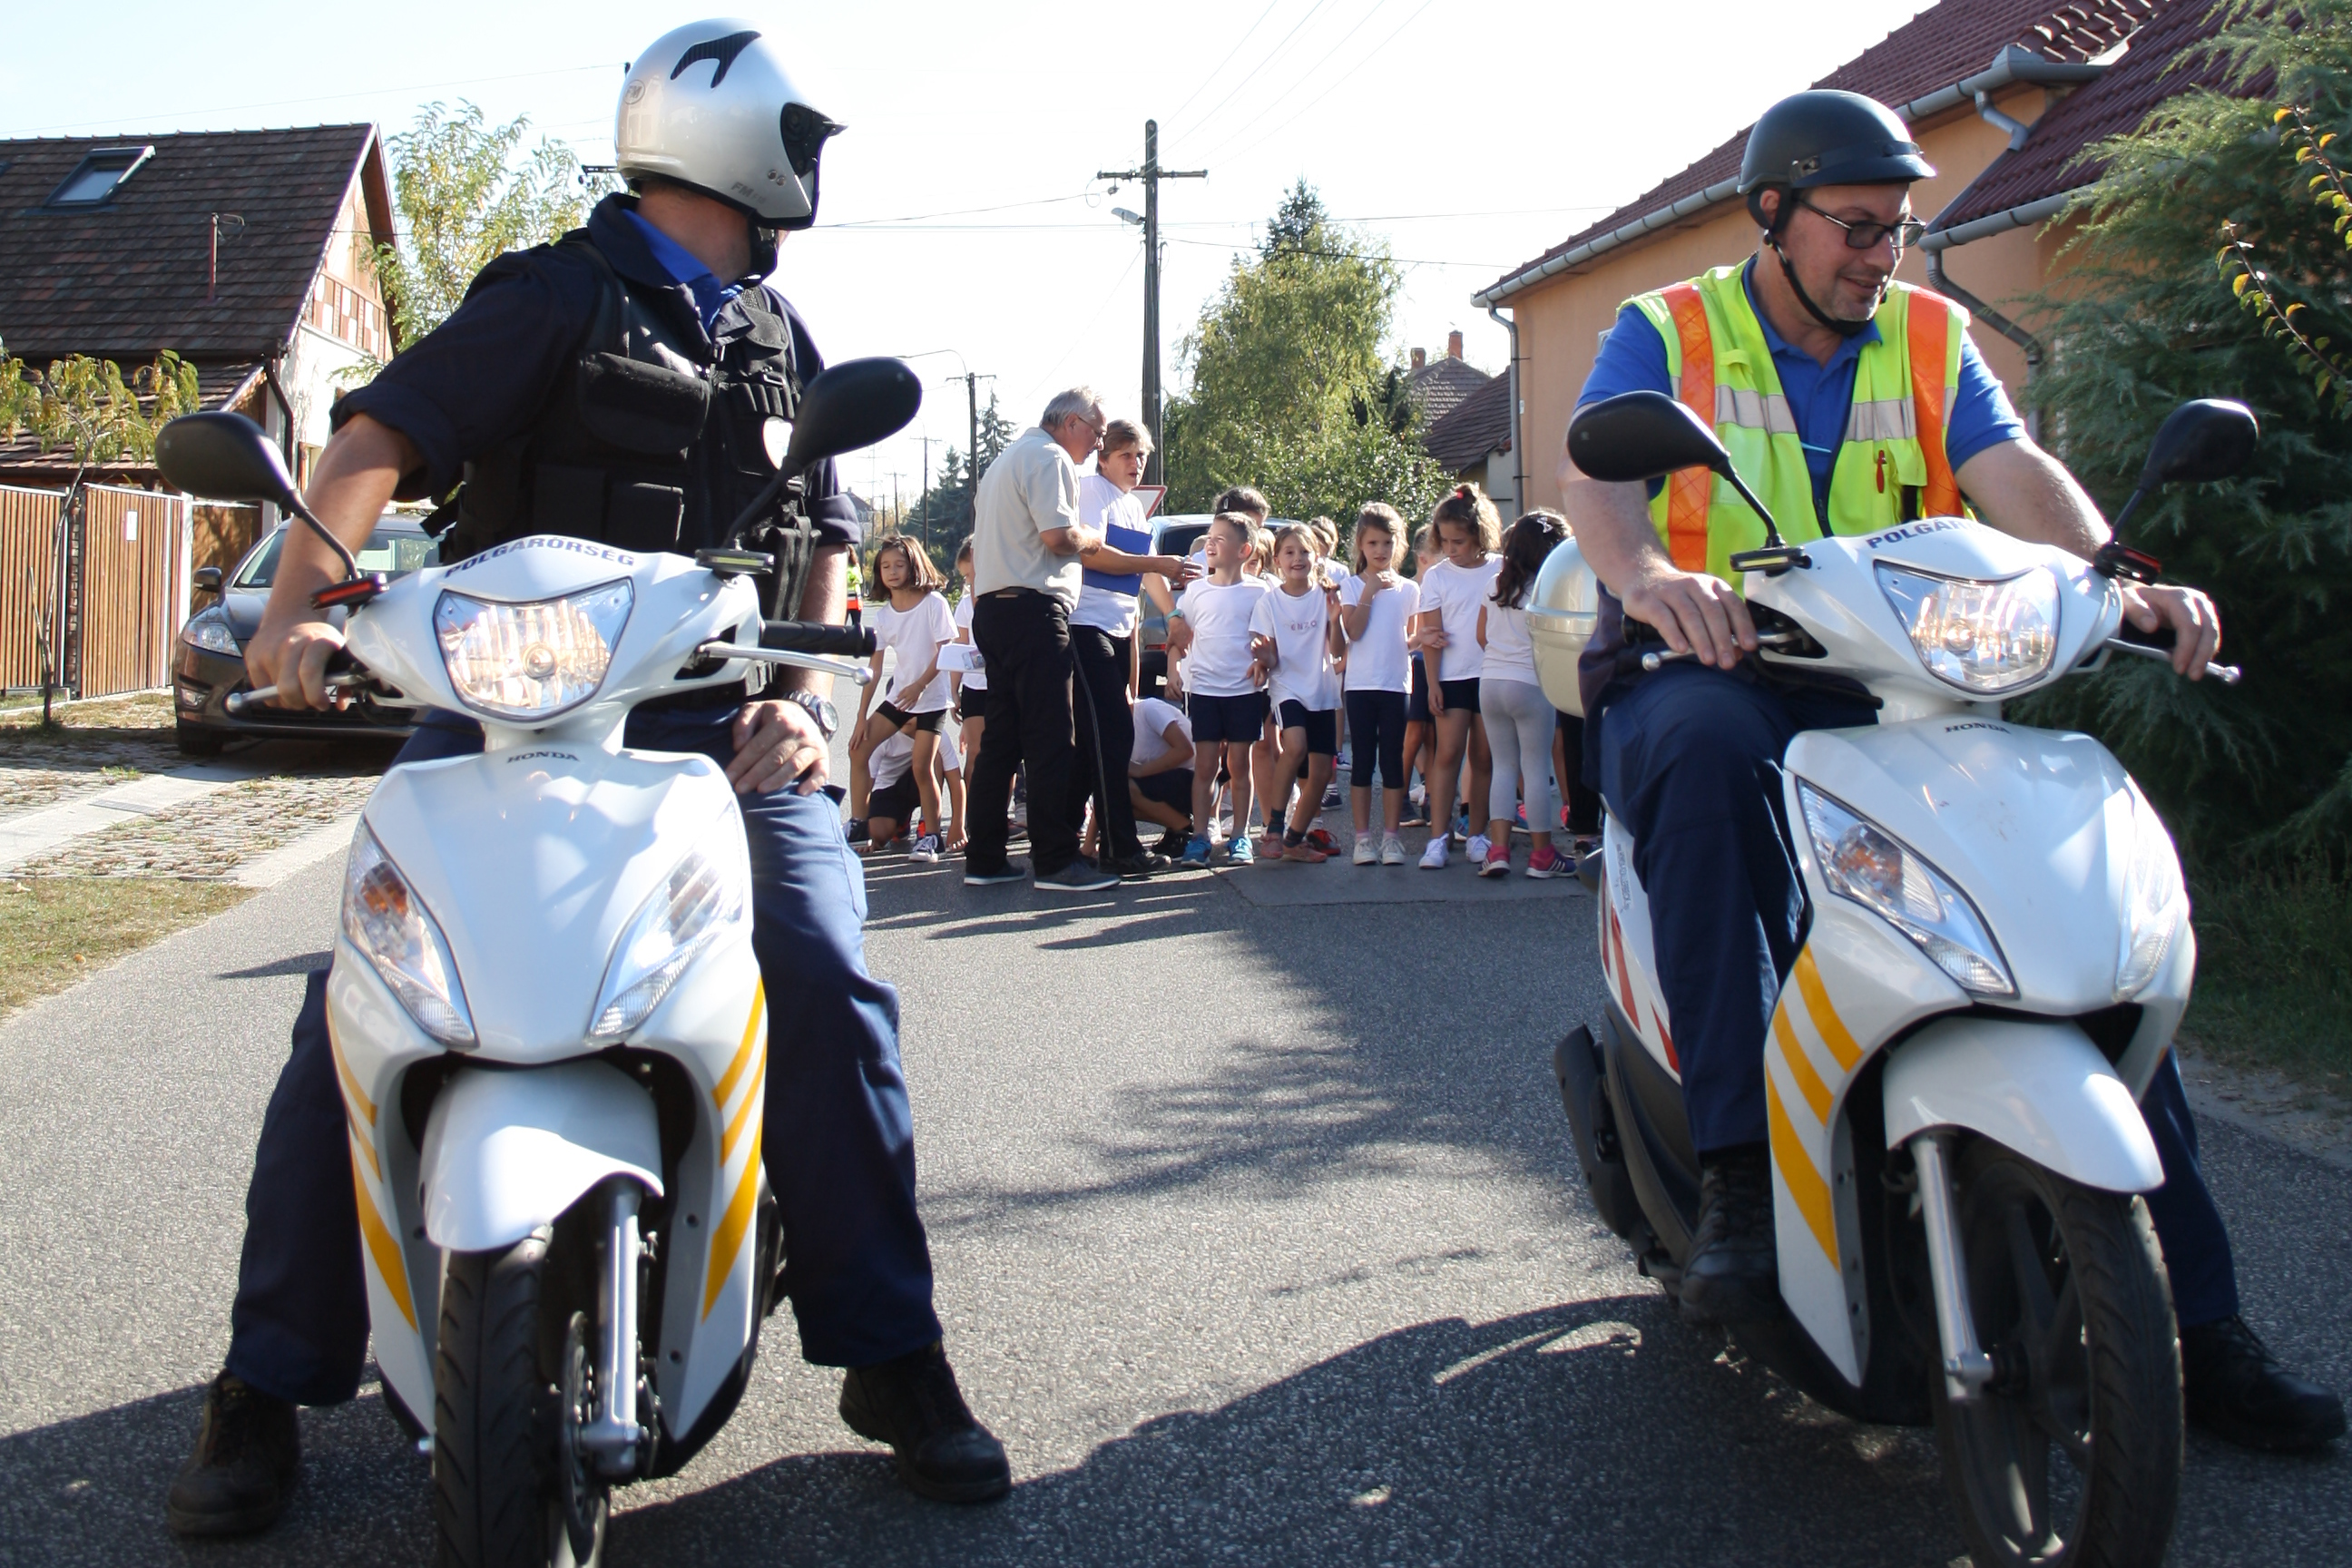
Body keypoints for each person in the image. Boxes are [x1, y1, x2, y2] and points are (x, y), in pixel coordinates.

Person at [164, 26, 1013, 1538]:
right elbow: (375, 437)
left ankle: (893, 1350)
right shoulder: (554, 293)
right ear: (737, 139)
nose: (806, 167)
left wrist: (805, 701)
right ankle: (265, 1379)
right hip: (505, 719)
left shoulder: (779, 334)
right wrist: (296, 609)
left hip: (714, 727)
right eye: (796, 138)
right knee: (357, 1001)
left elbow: (822, 540)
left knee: (817, 964)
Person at [1561, 86, 2343, 1449]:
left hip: (1900, 678)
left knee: (2050, 912)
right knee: (1701, 757)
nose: (1884, 253)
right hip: (1716, 666)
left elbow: (2010, 467)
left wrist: (2119, 579)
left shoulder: (1929, 335)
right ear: (1774, 215)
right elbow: (1601, 481)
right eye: (1857, 227)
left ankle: (2200, 1326)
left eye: (1899, 229)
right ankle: (1739, 1176)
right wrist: (1645, 579)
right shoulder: (1670, 327)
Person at [963, 387, 1115, 892]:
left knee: (1001, 741)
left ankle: (985, 858)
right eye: (1096, 433)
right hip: (1033, 609)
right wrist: (1091, 537)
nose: (1098, 444)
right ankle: (1055, 861)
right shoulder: (1051, 458)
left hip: (994, 609)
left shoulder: (1004, 461)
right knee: (1051, 737)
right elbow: (1058, 537)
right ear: (1071, 423)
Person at [1070, 418, 1191, 877]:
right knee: (1110, 736)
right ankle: (1119, 847)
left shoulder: (1135, 509)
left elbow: (1149, 574)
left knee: (1098, 741)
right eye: (1126, 455)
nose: (1135, 463)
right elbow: (1092, 552)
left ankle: (1063, 840)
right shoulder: (1091, 491)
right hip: (1086, 625)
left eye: (1141, 456)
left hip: (1120, 631)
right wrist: (1157, 561)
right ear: (1103, 458)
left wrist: (1174, 617)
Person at [1172, 514, 1271, 867]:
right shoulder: (1196, 591)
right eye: (1209, 537)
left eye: (1220, 539)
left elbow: (1271, 643)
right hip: (1203, 690)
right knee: (1205, 766)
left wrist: (1265, 660)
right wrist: (1173, 670)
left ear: (1245, 550)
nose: (1210, 543)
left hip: (1244, 691)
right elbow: (1178, 634)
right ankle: (1199, 836)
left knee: (1239, 765)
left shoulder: (1260, 592)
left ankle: (1240, 835)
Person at [1476, 511, 1572, 879]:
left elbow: (1481, 636)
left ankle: (1498, 850)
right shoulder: (1547, 588)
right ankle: (1542, 854)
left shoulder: (1494, 584)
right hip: (1530, 683)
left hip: (1491, 682)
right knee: (1535, 768)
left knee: (1503, 765)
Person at [851, 534, 956, 864]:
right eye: (885, 566)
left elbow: (945, 651)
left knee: (922, 768)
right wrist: (861, 717)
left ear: (914, 566)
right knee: (858, 749)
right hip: (900, 698)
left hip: (931, 698)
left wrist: (920, 685)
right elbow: (875, 667)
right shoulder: (883, 616)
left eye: (899, 565)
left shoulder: (934, 603)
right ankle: (858, 824)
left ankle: (932, 838)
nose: (892, 572)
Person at [1414, 485, 1501, 869]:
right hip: (1451, 678)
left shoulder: (1501, 568)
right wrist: (1433, 683)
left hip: (1493, 674)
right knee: (1447, 754)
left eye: (1459, 542)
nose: (1450, 549)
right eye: (1445, 541)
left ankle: (1477, 834)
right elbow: (1431, 637)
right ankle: (1438, 837)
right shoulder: (1436, 577)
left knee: (1483, 756)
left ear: (1480, 535)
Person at [1247, 524, 1344, 863]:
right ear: (1277, 560)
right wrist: (1263, 656)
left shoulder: (1326, 596)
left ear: (1317, 556)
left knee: (1321, 772)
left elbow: (1338, 650)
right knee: (1296, 746)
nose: (1297, 558)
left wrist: (1336, 618)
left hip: (1322, 689)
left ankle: (1294, 839)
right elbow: (1271, 657)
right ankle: (1274, 826)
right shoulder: (1269, 602)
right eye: (1289, 552)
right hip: (1287, 688)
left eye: (1304, 551)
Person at [1338, 504, 1418, 866]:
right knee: (1362, 761)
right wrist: (1369, 591)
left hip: (1396, 685)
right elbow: (1353, 632)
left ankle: (1391, 837)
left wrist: (1423, 639)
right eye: (1373, 543)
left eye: (1387, 542)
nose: (1380, 550)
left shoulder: (1409, 589)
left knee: (1392, 761)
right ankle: (1362, 839)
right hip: (1360, 685)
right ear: (1360, 544)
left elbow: (1410, 638)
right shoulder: (1352, 585)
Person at [1398, 522, 1441, 827]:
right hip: (1415, 666)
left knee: (1434, 735)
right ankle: (1400, 796)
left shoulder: (1444, 585)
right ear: (1423, 558)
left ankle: (1432, 795)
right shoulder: (1412, 589)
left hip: (1438, 667)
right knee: (1413, 734)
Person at [863, 724, 961, 853]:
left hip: (923, 781)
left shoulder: (936, 730)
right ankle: (901, 822)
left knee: (934, 754)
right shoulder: (882, 731)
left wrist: (958, 826)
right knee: (878, 835)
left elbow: (956, 780)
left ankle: (928, 826)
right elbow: (866, 784)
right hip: (889, 787)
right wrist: (864, 832)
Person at [1126, 693, 1196, 854]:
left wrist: (1141, 770)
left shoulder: (1149, 709)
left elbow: (1185, 750)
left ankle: (1183, 829)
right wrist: (1088, 846)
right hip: (1167, 780)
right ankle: (1177, 826)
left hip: (1197, 781)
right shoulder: (1111, 727)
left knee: (1127, 788)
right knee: (1115, 800)